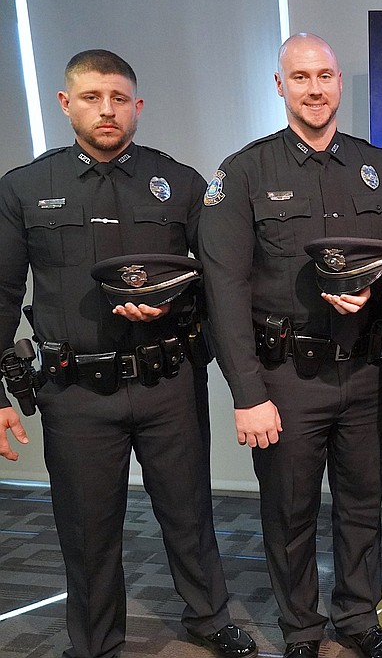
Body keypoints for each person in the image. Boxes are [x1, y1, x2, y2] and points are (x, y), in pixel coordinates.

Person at [0, 50, 255, 658]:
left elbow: (217, 280)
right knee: (87, 529)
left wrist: (173, 310)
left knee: (189, 511)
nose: (107, 110)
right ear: (66, 104)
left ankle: (207, 616)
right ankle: (93, 642)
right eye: (92, 98)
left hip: (167, 378)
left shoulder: (182, 183)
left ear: (137, 106)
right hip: (76, 390)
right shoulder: (26, 188)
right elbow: (3, 292)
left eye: (119, 98)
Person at [198, 34, 382, 658]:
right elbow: (224, 290)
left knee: (362, 505)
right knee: (289, 513)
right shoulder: (244, 173)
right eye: (301, 77)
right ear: (280, 85)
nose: (314, 89)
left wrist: (374, 294)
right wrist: (247, 392)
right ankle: (301, 628)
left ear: (340, 82)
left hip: (367, 371)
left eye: (324, 76)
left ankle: (357, 616)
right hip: (286, 376)